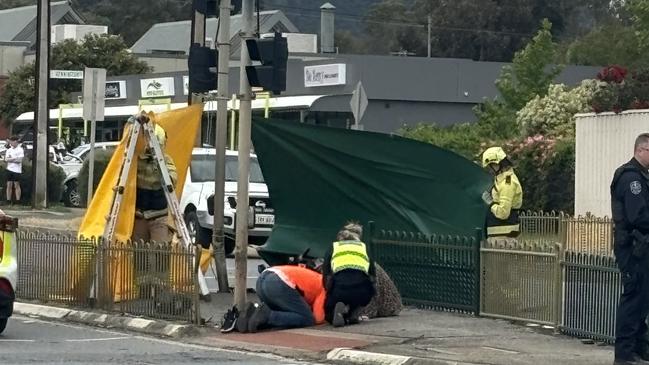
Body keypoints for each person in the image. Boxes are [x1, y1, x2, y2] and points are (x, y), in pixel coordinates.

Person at [610, 133, 649, 365]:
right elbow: (638, 216)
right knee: (633, 300)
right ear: (642, 149)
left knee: (642, 301)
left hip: (641, 248)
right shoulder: (631, 178)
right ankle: (624, 355)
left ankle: (638, 349)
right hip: (633, 249)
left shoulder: (642, 177)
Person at [235, 264, 326, 333]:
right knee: (308, 319)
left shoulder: (315, 276)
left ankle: (249, 317)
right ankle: (268, 316)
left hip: (263, 278)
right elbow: (318, 318)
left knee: (282, 314)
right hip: (278, 282)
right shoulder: (324, 286)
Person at [322, 222, 376, 327]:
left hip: (340, 288)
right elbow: (373, 274)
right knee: (366, 290)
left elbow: (326, 273)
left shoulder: (334, 247)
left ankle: (336, 310)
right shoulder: (363, 247)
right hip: (362, 290)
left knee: (328, 315)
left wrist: (328, 292)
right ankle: (354, 310)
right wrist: (371, 291)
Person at [481, 147, 523, 238]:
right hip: (500, 236)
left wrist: (491, 203)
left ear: (497, 164)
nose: (490, 169)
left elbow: (503, 213)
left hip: (504, 236)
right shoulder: (501, 180)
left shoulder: (507, 184)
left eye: (491, 166)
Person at [4, 136, 24, 205]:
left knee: (16, 185)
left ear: (15, 141)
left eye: (12, 141)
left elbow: (19, 160)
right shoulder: (9, 150)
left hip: (17, 170)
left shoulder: (20, 150)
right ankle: (8, 200)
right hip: (9, 169)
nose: (11, 143)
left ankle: (18, 200)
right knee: (9, 185)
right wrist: (14, 159)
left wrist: (11, 159)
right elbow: (6, 159)